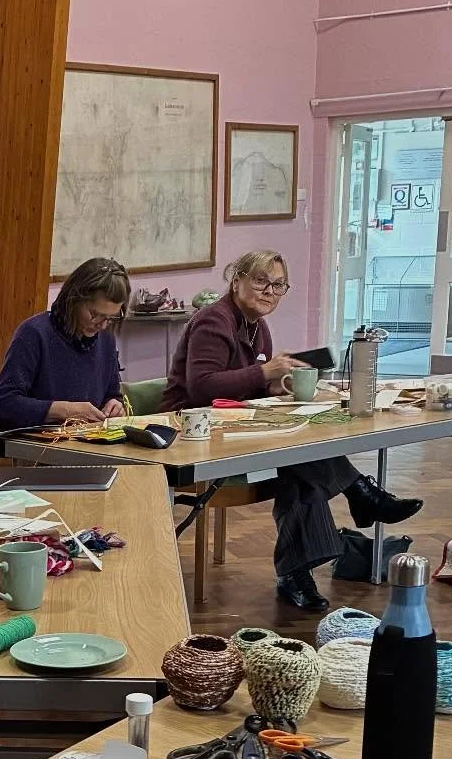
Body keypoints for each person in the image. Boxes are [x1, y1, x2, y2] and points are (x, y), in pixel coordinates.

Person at [161, 251, 421, 612]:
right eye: (261, 281)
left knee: (299, 461)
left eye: (278, 285)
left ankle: (300, 568)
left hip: (232, 425)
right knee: (299, 455)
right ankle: (354, 497)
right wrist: (265, 375)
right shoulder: (213, 321)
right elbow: (202, 388)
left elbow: (243, 388)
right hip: (191, 431)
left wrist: (276, 386)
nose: (270, 291)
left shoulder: (256, 326)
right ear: (236, 280)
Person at [0, 256, 130, 430]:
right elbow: (4, 406)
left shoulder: (106, 338)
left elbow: (112, 395)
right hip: (36, 447)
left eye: (110, 318)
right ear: (74, 299)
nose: (102, 324)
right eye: (95, 314)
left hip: (85, 444)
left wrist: (114, 405)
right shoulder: (34, 334)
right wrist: (66, 410)